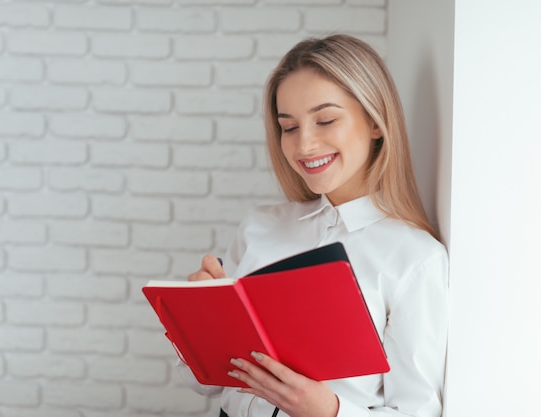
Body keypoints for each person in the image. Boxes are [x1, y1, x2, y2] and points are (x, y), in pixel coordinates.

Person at [180, 34, 448, 417]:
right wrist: (201, 323)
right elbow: (206, 384)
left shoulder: (415, 259)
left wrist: (330, 411)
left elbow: (418, 412)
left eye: (325, 120)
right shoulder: (259, 227)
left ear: (375, 122)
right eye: (289, 127)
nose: (304, 145)